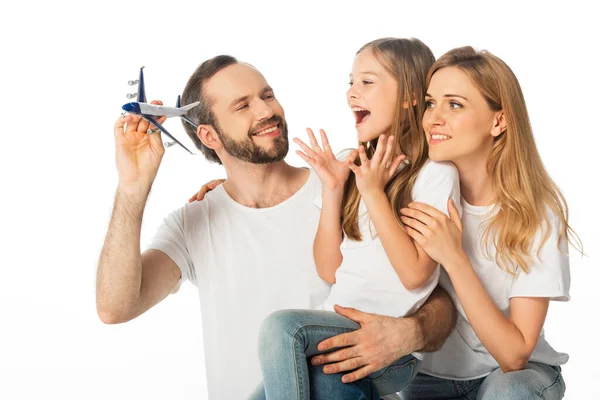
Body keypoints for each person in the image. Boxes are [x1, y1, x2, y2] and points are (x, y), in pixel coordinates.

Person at [96, 54, 457, 399]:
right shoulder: (194, 223)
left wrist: (408, 334)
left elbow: (434, 290)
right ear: (209, 136)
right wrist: (133, 186)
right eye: (243, 105)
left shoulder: (352, 180)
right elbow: (115, 308)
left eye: (267, 95)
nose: (267, 110)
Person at [246, 37, 461, 400]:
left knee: (281, 329)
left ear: (410, 94)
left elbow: (416, 276)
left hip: (389, 346)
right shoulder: (351, 164)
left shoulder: (434, 173)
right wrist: (332, 190)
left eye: (367, 81)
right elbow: (329, 270)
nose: (352, 93)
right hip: (332, 327)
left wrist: (374, 193)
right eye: (350, 82)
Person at [397, 46, 579, 399]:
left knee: (508, 392)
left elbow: (515, 356)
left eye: (454, 105)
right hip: (429, 378)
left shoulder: (536, 213)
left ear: (499, 121)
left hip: (516, 376)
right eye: (430, 103)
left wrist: (454, 257)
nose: (433, 118)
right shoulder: (417, 191)